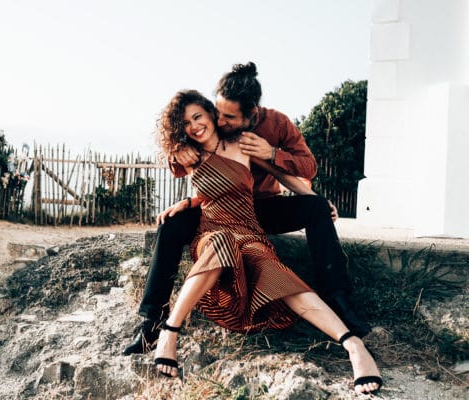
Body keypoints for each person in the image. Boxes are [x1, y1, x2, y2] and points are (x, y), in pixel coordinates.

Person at [123, 62, 370, 357]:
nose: (220, 120)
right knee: (171, 223)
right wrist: (176, 154)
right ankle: (153, 322)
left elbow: (305, 168)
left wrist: (274, 155)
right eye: (217, 112)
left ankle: (339, 299)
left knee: (316, 208)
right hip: (215, 213)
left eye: (228, 117)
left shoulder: (275, 125)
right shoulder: (205, 132)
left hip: (263, 208)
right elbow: (187, 161)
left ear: (251, 114)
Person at [151, 89, 382, 395]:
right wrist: (185, 189)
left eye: (198, 117)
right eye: (186, 123)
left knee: (276, 274)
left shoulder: (242, 145)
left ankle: (353, 345)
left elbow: (286, 176)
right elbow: (192, 176)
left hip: (249, 231)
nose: (194, 126)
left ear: (210, 114)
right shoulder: (186, 154)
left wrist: (316, 203)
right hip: (212, 232)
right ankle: (170, 332)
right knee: (220, 241)